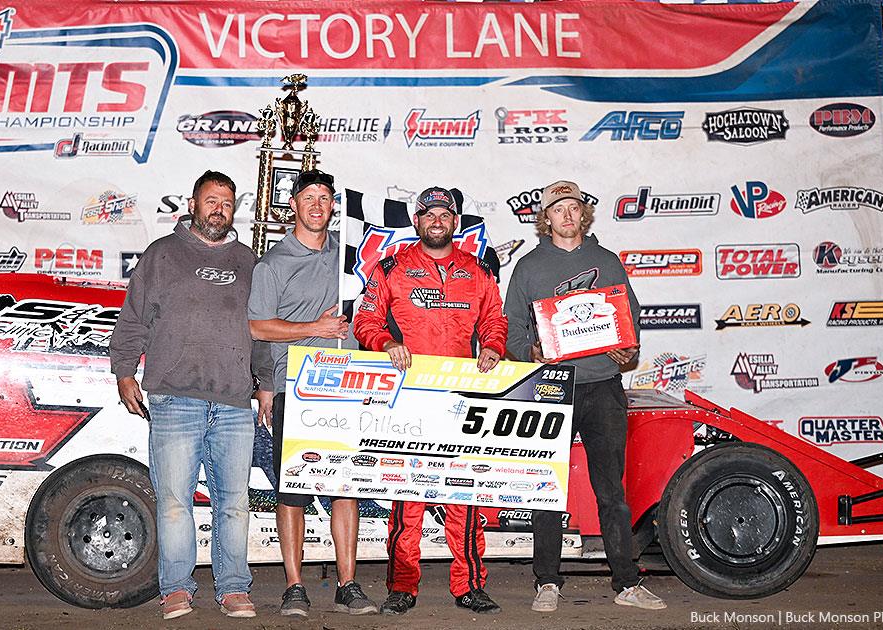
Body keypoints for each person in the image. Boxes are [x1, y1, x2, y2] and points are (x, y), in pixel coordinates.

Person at [503, 180, 666, 612]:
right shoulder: (528, 267)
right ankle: (547, 581)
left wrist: (627, 347)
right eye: (558, 209)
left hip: (603, 384)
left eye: (574, 207)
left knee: (611, 490)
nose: (567, 215)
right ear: (546, 218)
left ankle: (627, 582)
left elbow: (628, 318)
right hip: (552, 386)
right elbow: (512, 326)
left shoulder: (607, 261)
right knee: (546, 490)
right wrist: (530, 352)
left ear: (583, 213)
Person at [352, 186, 508, 616]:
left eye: (444, 214)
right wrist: (386, 343)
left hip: (463, 398)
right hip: (409, 400)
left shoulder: (478, 270)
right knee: (408, 498)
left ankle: (470, 586)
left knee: (464, 496)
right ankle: (402, 586)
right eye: (429, 214)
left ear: (455, 221)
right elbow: (365, 320)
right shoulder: (392, 268)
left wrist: (493, 345)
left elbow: (495, 319)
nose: (436, 221)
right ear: (416, 221)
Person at [109, 170, 258, 620]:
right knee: (175, 502)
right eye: (211, 201)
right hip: (175, 399)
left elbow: (263, 330)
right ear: (192, 205)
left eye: (227, 203)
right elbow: (133, 319)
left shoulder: (248, 261)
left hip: (234, 401)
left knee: (234, 502)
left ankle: (234, 588)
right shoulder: (161, 255)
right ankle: (175, 588)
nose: (219, 210)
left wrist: (267, 383)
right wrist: (124, 372)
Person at [248, 169, 380, 617]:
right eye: (309, 197)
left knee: (346, 486)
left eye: (325, 197)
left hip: (349, 385)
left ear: (334, 205)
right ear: (293, 205)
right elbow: (257, 327)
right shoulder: (272, 264)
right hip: (298, 388)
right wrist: (313, 330)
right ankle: (294, 586)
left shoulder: (351, 255)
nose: (318, 205)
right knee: (294, 490)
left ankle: (347, 584)